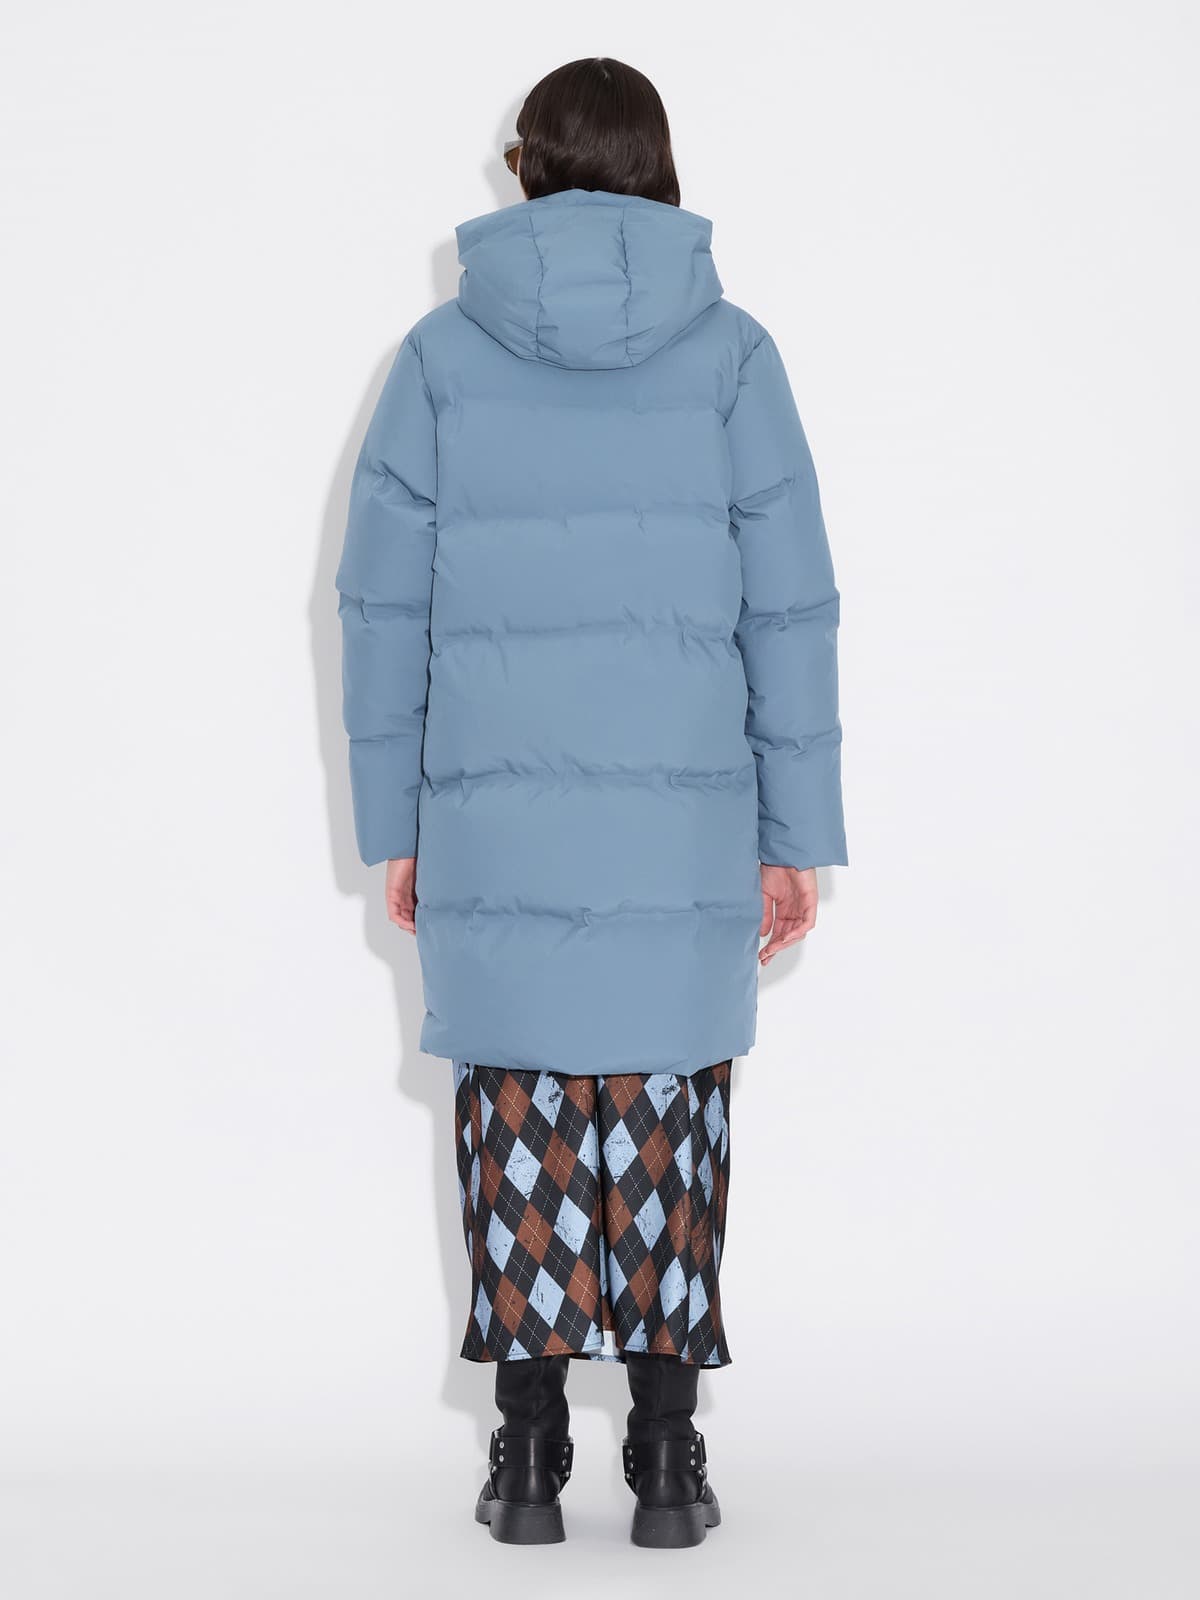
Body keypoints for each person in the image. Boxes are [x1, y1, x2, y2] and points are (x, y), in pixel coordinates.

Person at [335, 56, 847, 1549]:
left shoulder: (440, 357)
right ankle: (670, 1464)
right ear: (660, 169)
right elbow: (790, 610)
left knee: (524, 1127)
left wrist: (397, 825)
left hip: (495, 827)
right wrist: (794, 836)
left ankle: (524, 1457)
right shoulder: (735, 355)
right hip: (686, 832)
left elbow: (380, 610)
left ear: (529, 167)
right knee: (669, 1120)